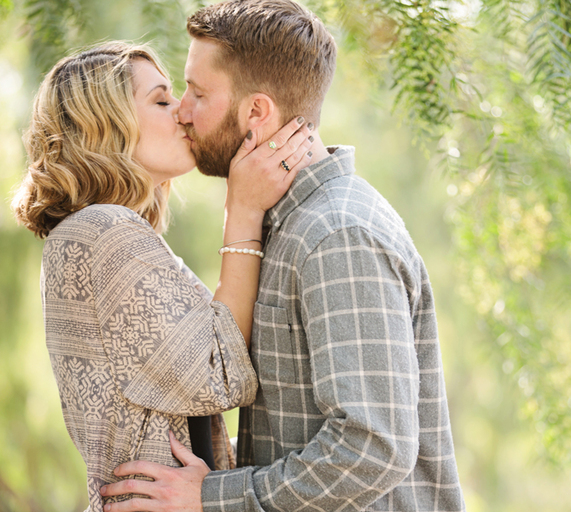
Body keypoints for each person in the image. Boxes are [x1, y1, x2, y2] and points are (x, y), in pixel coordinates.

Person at [100, 1, 466, 511]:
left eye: (198, 93)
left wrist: (212, 499)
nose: (182, 110)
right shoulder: (284, 223)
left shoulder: (337, 233)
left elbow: (373, 448)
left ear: (256, 112)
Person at [11, 41, 314, 512]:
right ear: (105, 124)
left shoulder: (100, 232)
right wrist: (244, 211)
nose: (183, 113)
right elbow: (220, 375)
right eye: (161, 100)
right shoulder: (103, 231)